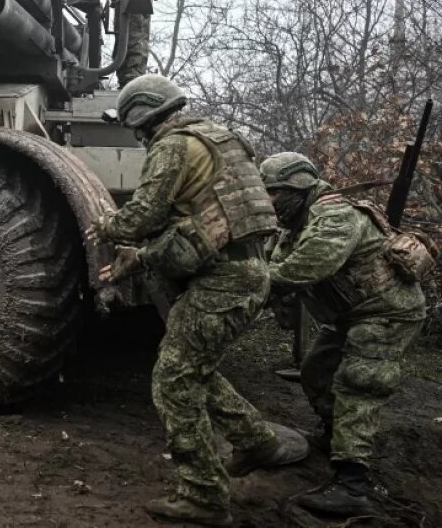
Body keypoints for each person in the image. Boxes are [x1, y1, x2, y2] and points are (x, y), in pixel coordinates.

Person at [92, 75, 300, 525]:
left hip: (222, 280)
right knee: (192, 367)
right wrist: (145, 256)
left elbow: (142, 216)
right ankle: (255, 441)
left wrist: (107, 225)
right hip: (246, 271)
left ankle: (203, 495)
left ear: (141, 117)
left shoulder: (172, 146)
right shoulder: (220, 138)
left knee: (172, 381)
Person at [260, 152, 427, 518]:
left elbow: (306, 267)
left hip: (387, 312)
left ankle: (351, 484)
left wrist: (251, 287)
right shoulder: (297, 219)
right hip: (351, 313)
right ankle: (337, 437)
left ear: (298, 187)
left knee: (358, 384)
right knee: (315, 371)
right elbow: (275, 266)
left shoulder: (335, 216)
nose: (268, 200)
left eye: (274, 192)